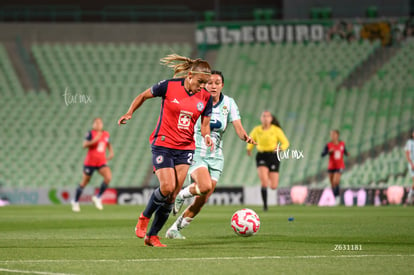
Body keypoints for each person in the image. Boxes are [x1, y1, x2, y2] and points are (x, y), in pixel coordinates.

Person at [117, 54, 213, 247]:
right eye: (200, 82)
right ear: (190, 76)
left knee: (173, 194)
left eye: (206, 83)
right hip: (163, 143)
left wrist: (207, 136)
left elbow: (204, 125)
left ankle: (152, 236)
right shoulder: (169, 86)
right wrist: (130, 112)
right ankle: (144, 216)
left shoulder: (206, 98)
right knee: (167, 187)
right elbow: (143, 95)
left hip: (186, 148)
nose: (203, 86)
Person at [165, 70, 255, 239]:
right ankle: (181, 195)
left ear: (222, 85)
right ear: (204, 84)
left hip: (216, 156)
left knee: (202, 199)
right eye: (210, 83)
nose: (213, 86)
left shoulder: (229, 103)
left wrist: (246, 138)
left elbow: (238, 127)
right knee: (204, 186)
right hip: (196, 151)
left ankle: (174, 229)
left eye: (217, 83)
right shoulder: (197, 100)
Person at [246, 111, 289, 211]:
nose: (265, 118)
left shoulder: (276, 130)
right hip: (261, 156)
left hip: (273, 156)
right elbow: (250, 139)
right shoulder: (256, 130)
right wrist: (249, 148)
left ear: (271, 119)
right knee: (264, 182)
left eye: (267, 116)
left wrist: (280, 148)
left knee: (273, 186)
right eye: (263, 116)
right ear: (261, 118)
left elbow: (285, 142)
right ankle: (265, 206)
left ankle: (269, 177)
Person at [71, 117, 114, 212]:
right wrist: (95, 140)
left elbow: (108, 143)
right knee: (85, 182)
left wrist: (111, 152)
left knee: (108, 177)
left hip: (101, 161)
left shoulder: (106, 134)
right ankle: (75, 201)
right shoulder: (91, 133)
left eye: (100, 123)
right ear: (93, 125)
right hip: (90, 162)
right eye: (96, 123)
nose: (98, 124)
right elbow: (84, 145)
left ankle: (98, 197)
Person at [321, 129, 349, 205]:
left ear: (337, 135)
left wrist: (347, 153)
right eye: (331, 134)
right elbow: (322, 154)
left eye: (334, 134)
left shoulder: (342, 144)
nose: (332, 136)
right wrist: (328, 152)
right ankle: (335, 197)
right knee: (332, 184)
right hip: (331, 166)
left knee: (335, 181)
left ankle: (338, 197)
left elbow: (344, 151)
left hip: (339, 166)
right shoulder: (328, 145)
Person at [404, 129, 414, 204]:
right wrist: (411, 164)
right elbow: (407, 154)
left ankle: (410, 195)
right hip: (413, 163)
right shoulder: (410, 142)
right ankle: (409, 196)